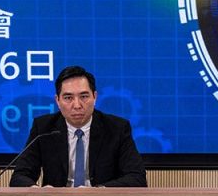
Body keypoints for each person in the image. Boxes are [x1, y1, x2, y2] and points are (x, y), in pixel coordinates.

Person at [9, 66, 147, 187]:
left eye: (84, 96)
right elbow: (19, 176)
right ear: (57, 101)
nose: (77, 105)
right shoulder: (44, 128)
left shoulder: (117, 128)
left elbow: (137, 178)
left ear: (95, 97)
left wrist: (98, 191)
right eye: (68, 98)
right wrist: (38, 191)